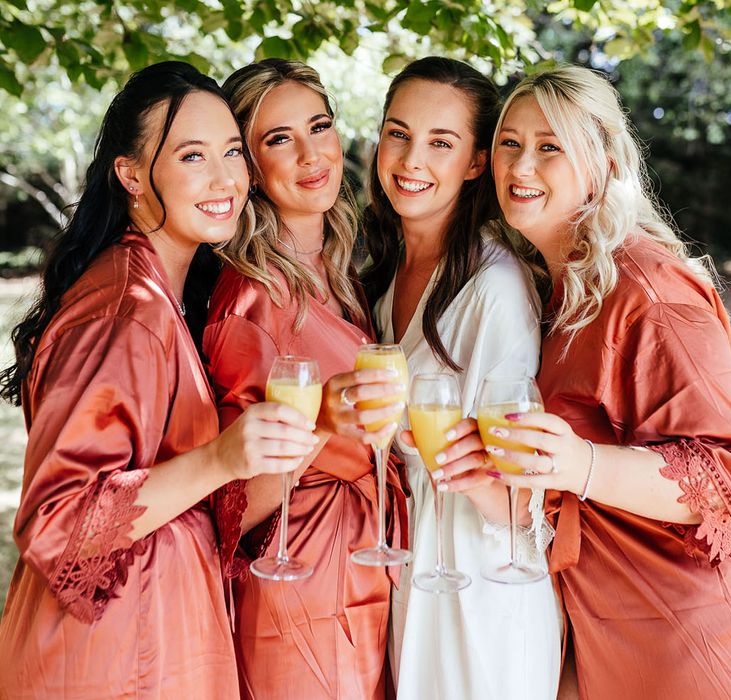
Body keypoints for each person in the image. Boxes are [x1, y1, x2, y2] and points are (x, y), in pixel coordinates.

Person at [0, 61, 319, 698]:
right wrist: (221, 456)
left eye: (232, 150)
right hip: (117, 661)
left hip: (156, 637)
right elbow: (59, 528)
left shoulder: (160, 292)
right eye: (192, 155)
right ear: (132, 174)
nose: (226, 176)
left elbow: (185, 506)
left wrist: (300, 442)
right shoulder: (127, 311)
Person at [487, 64, 731, 698]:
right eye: (510, 142)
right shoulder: (559, 290)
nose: (521, 165)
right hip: (609, 632)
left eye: (550, 146)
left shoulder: (647, 286)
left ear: (605, 162)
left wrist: (580, 462)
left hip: (690, 636)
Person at [203, 58, 408, 700]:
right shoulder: (251, 302)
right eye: (278, 139)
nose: (310, 154)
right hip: (304, 577)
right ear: (248, 166)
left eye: (317, 126)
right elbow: (233, 508)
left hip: (365, 563)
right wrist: (319, 424)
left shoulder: (342, 270)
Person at [361, 56, 562, 700]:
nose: (411, 158)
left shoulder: (494, 287)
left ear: (476, 162)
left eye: (441, 143)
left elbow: (524, 484)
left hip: (478, 582)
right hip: (411, 563)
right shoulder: (380, 278)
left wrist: (464, 474)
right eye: (399, 133)